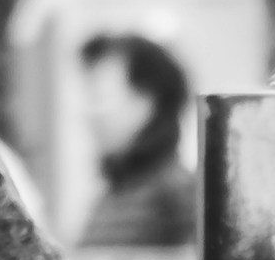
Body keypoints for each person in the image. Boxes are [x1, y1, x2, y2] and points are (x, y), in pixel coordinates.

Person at [75, 31, 196, 248]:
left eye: (98, 96)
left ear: (146, 99)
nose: (88, 112)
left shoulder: (178, 197)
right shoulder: (114, 193)